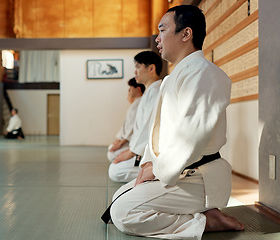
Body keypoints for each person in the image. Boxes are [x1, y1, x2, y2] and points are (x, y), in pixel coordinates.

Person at [108, 5, 244, 239]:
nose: (157, 38)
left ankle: (204, 222)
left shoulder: (204, 73)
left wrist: (159, 170)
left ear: (186, 34)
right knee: (118, 197)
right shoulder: (176, 77)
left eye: (162, 30)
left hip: (198, 176)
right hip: (179, 171)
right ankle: (203, 212)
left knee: (122, 212)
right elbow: (158, 133)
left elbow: (192, 136)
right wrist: (149, 165)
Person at [108, 51, 162, 183]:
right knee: (113, 164)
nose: (135, 72)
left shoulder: (155, 92)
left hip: (146, 152)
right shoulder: (150, 92)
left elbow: (148, 128)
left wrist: (131, 152)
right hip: (139, 148)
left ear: (151, 68)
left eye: (138, 67)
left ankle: (157, 173)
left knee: (115, 171)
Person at [107, 78, 145, 162]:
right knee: (111, 150)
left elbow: (132, 128)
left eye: (130, 88)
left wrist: (121, 143)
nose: (129, 90)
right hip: (127, 140)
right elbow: (125, 126)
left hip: (131, 142)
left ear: (138, 89)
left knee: (111, 155)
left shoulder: (140, 104)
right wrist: (118, 140)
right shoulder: (135, 103)